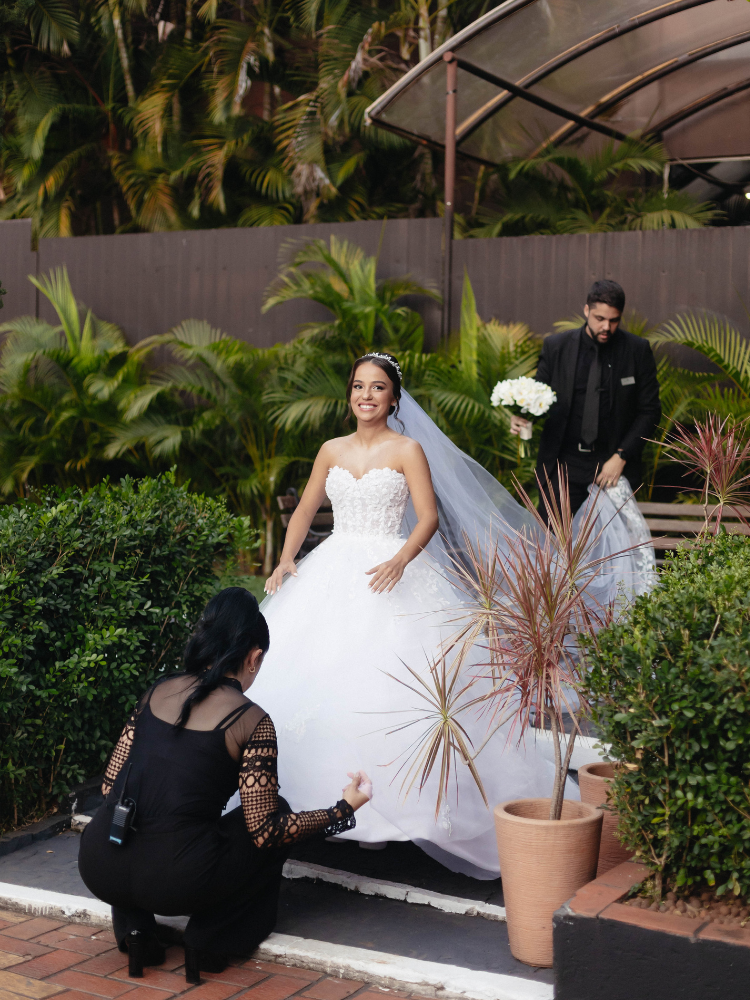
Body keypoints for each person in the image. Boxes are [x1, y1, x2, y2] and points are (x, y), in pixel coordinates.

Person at [237, 352, 614, 881]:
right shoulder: (330, 449)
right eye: (358, 386)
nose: (366, 395)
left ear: (394, 398)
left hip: (393, 571)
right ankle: (324, 803)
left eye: (377, 388)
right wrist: (284, 560)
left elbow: (429, 516)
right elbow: (304, 510)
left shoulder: (407, 448)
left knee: (395, 685)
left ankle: (395, 811)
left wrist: (400, 558)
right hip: (333, 568)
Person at [78, 588, 371, 981]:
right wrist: (342, 810)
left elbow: (110, 782)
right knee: (274, 812)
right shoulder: (251, 720)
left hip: (100, 862)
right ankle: (210, 940)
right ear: (253, 657)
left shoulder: (157, 692)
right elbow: (266, 833)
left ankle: (136, 932)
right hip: (176, 881)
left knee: (141, 814)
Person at [511, 280, 661, 520]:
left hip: (611, 466)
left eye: (613, 320)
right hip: (563, 465)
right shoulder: (556, 346)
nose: (606, 327)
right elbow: (538, 397)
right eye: (599, 318)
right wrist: (521, 417)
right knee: (551, 544)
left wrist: (621, 456)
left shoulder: (637, 350)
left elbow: (650, 412)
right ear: (586, 310)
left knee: (609, 550)